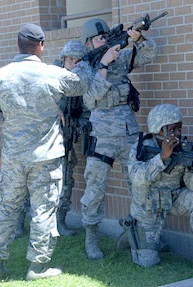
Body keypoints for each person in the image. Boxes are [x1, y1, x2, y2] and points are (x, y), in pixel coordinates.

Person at [0, 23, 92, 281]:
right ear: (41, 46)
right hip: (46, 157)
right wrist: (85, 61)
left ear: (18, 45)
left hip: (13, 158)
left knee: (7, 208)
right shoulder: (51, 73)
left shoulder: (0, 76)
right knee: (43, 210)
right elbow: (81, 84)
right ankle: (38, 267)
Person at [78, 18, 157, 260]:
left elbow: (148, 56)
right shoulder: (84, 67)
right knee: (95, 189)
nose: (103, 41)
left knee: (138, 184)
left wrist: (139, 40)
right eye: (99, 38)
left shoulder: (120, 57)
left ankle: (140, 236)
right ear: (89, 42)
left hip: (128, 131)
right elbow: (90, 99)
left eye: (105, 37)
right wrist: (103, 64)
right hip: (101, 135)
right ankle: (91, 237)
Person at [125, 104, 193, 272]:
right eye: (172, 129)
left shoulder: (182, 148)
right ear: (160, 130)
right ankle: (130, 232)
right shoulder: (141, 147)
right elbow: (137, 178)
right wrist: (161, 157)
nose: (178, 133)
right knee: (147, 262)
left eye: (179, 128)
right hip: (148, 207)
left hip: (173, 200)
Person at [14, 40, 90, 238]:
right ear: (63, 59)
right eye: (69, 59)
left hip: (65, 140)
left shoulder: (83, 80)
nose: (73, 64)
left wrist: (82, 123)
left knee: (65, 181)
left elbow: (87, 109)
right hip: (42, 139)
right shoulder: (49, 75)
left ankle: (59, 222)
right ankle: (18, 221)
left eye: (77, 61)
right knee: (32, 182)